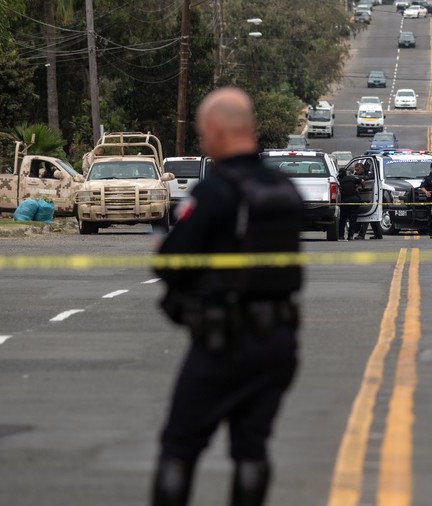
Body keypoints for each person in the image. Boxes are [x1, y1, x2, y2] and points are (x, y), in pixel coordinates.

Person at [151, 87, 303, 506]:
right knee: (252, 448)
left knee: (179, 446)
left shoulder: (215, 192)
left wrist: (163, 251)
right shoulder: (283, 189)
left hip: (224, 342)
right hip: (277, 341)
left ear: (216, 130)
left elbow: (172, 263)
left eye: (203, 132)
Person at [355, 164, 383, 240]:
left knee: (367, 215)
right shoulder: (356, 175)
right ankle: (378, 234)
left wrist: (358, 178)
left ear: (363, 169)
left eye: (358, 170)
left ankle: (361, 235)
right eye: (355, 170)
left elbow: (368, 178)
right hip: (364, 197)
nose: (356, 171)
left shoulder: (368, 174)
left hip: (370, 197)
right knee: (372, 216)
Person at [338, 166, 363, 241]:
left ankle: (341, 236)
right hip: (354, 201)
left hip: (344, 203)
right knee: (353, 220)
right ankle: (350, 236)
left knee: (342, 220)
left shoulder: (338, 181)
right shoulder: (352, 178)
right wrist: (362, 188)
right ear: (346, 173)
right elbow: (362, 181)